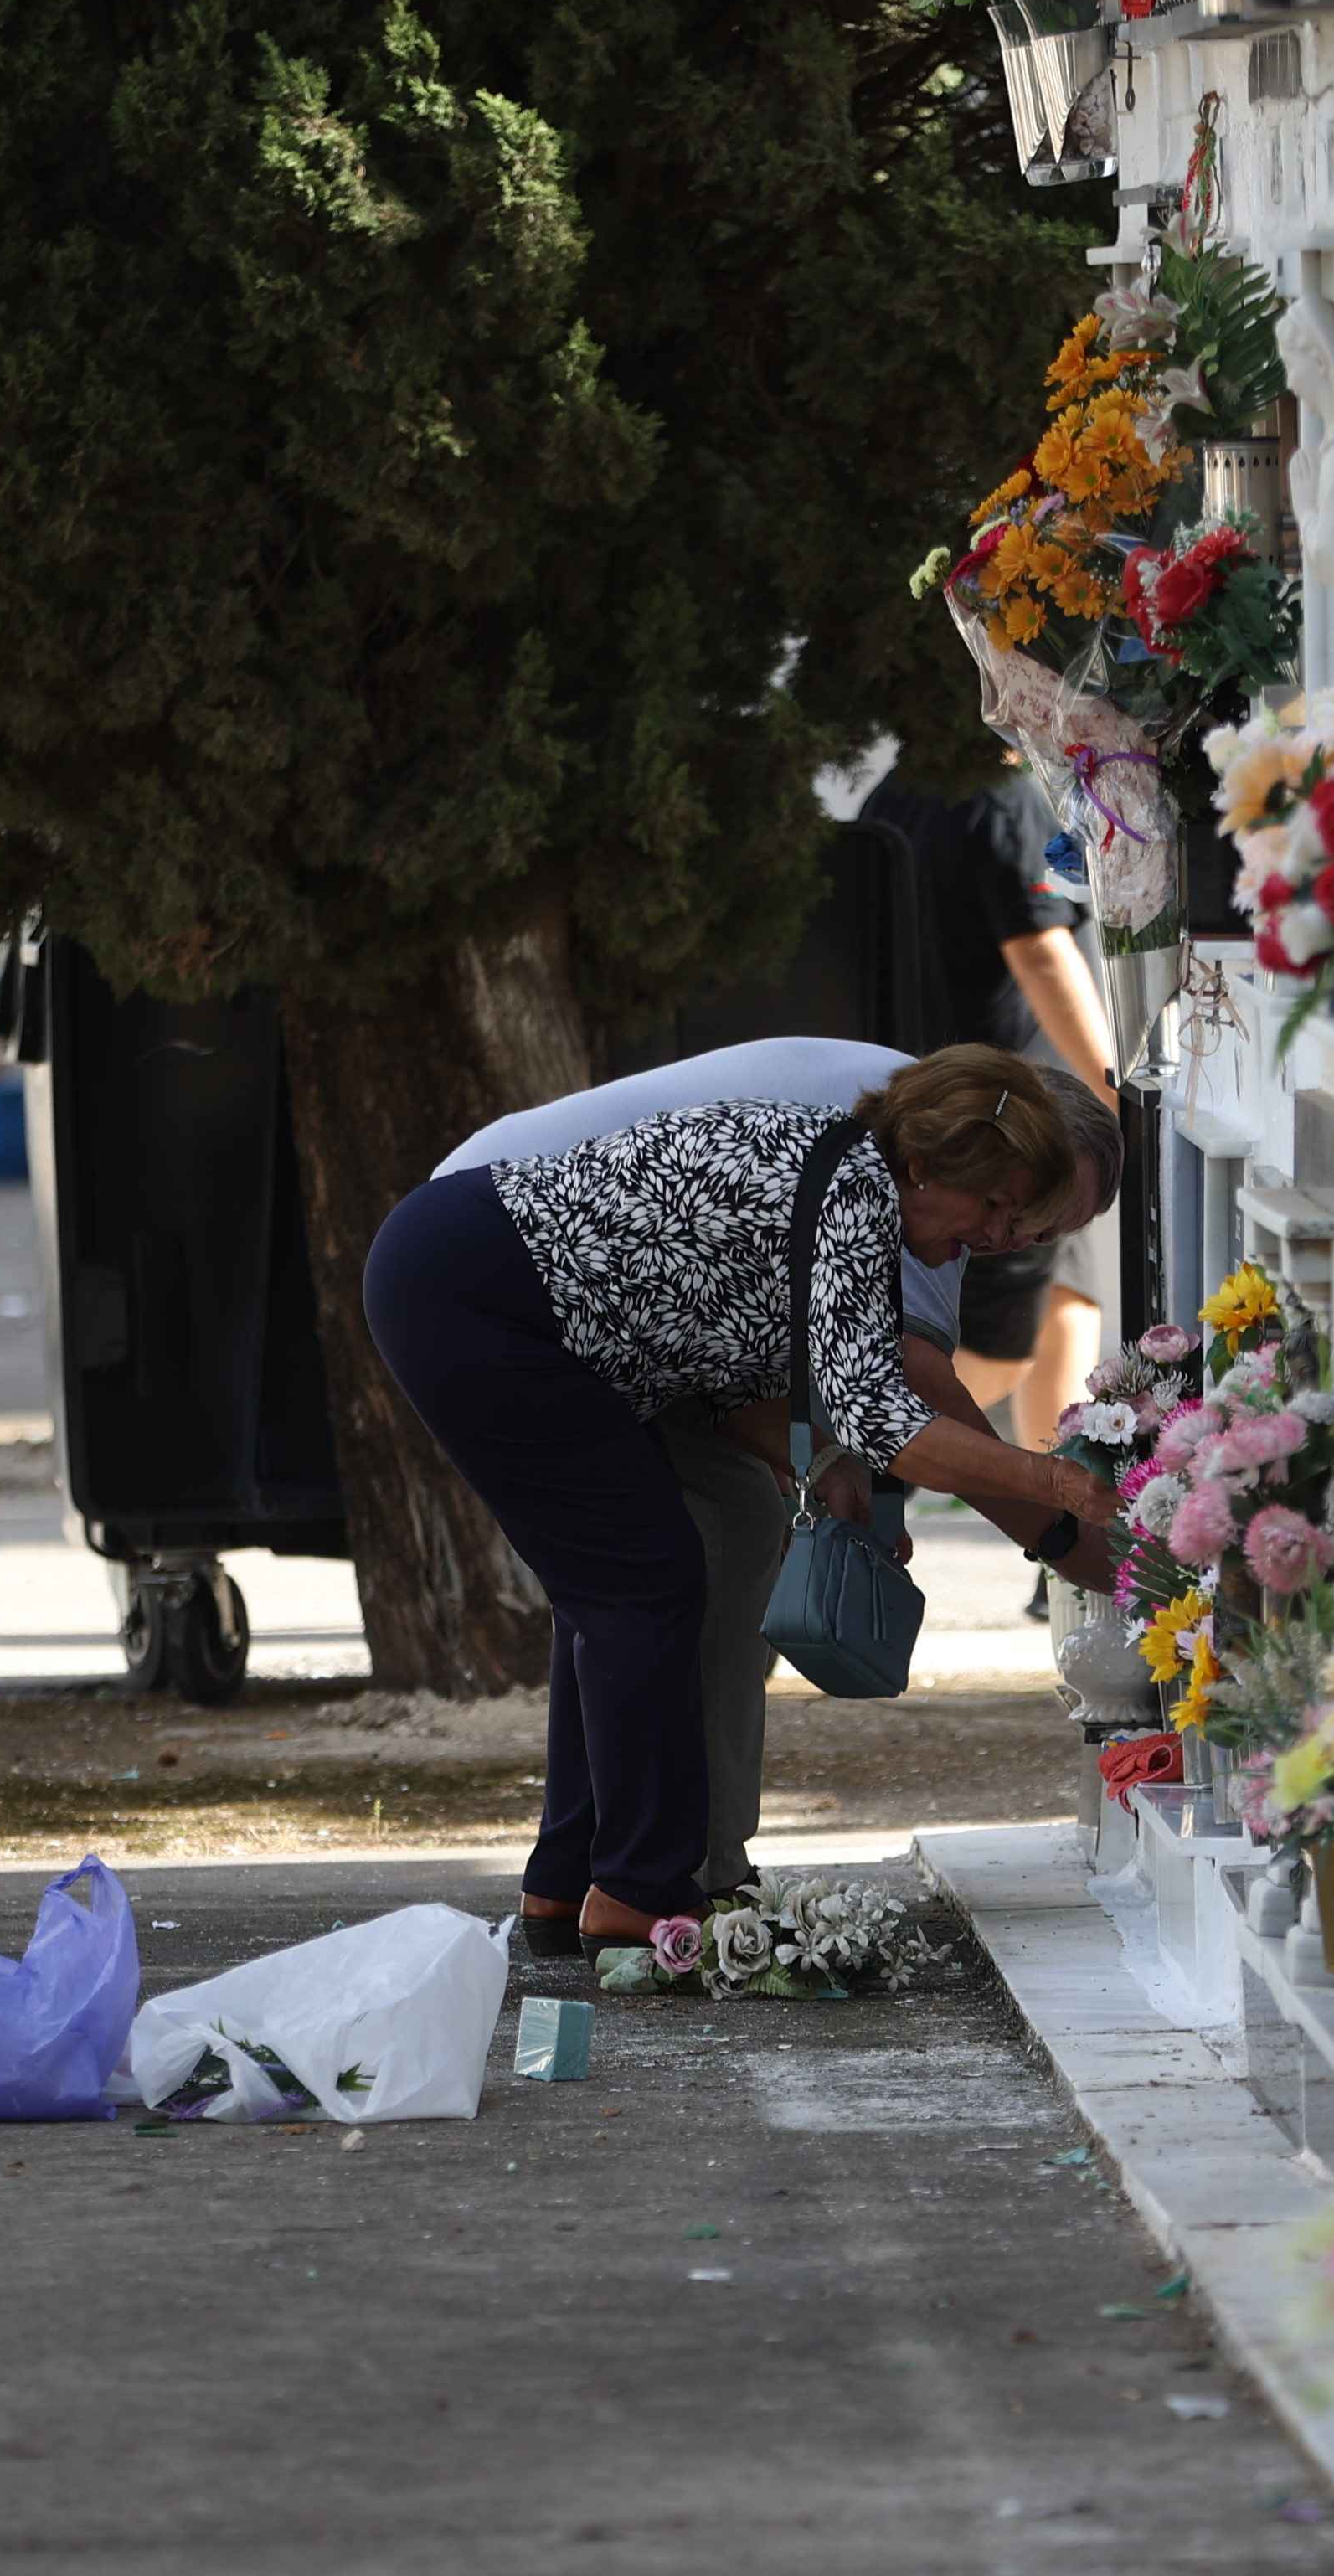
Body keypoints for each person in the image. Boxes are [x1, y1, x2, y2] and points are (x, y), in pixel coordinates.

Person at [363, 1045, 1119, 1974]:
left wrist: (819, 1464)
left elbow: (719, 1344)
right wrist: (1062, 1491)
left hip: (504, 1301)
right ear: (928, 1167)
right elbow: (895, 1417)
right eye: (996, 1206)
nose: (1000, 1236)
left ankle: (571, 1883)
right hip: (482, 1296)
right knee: (643, 1584)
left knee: (630, 1584)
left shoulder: (856, 1182)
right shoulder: (855, 1193)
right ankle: (644, 1893)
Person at [862, 774, 1125, 1440]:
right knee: (1001, 1350)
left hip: (959, 1108)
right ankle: (872, 1457)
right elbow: (1041, 952)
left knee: (1066, 1314)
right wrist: (1115, 1089)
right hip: (1015, 1133)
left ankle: (1057, 1513)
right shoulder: (1005, 797)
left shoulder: (898, 793)